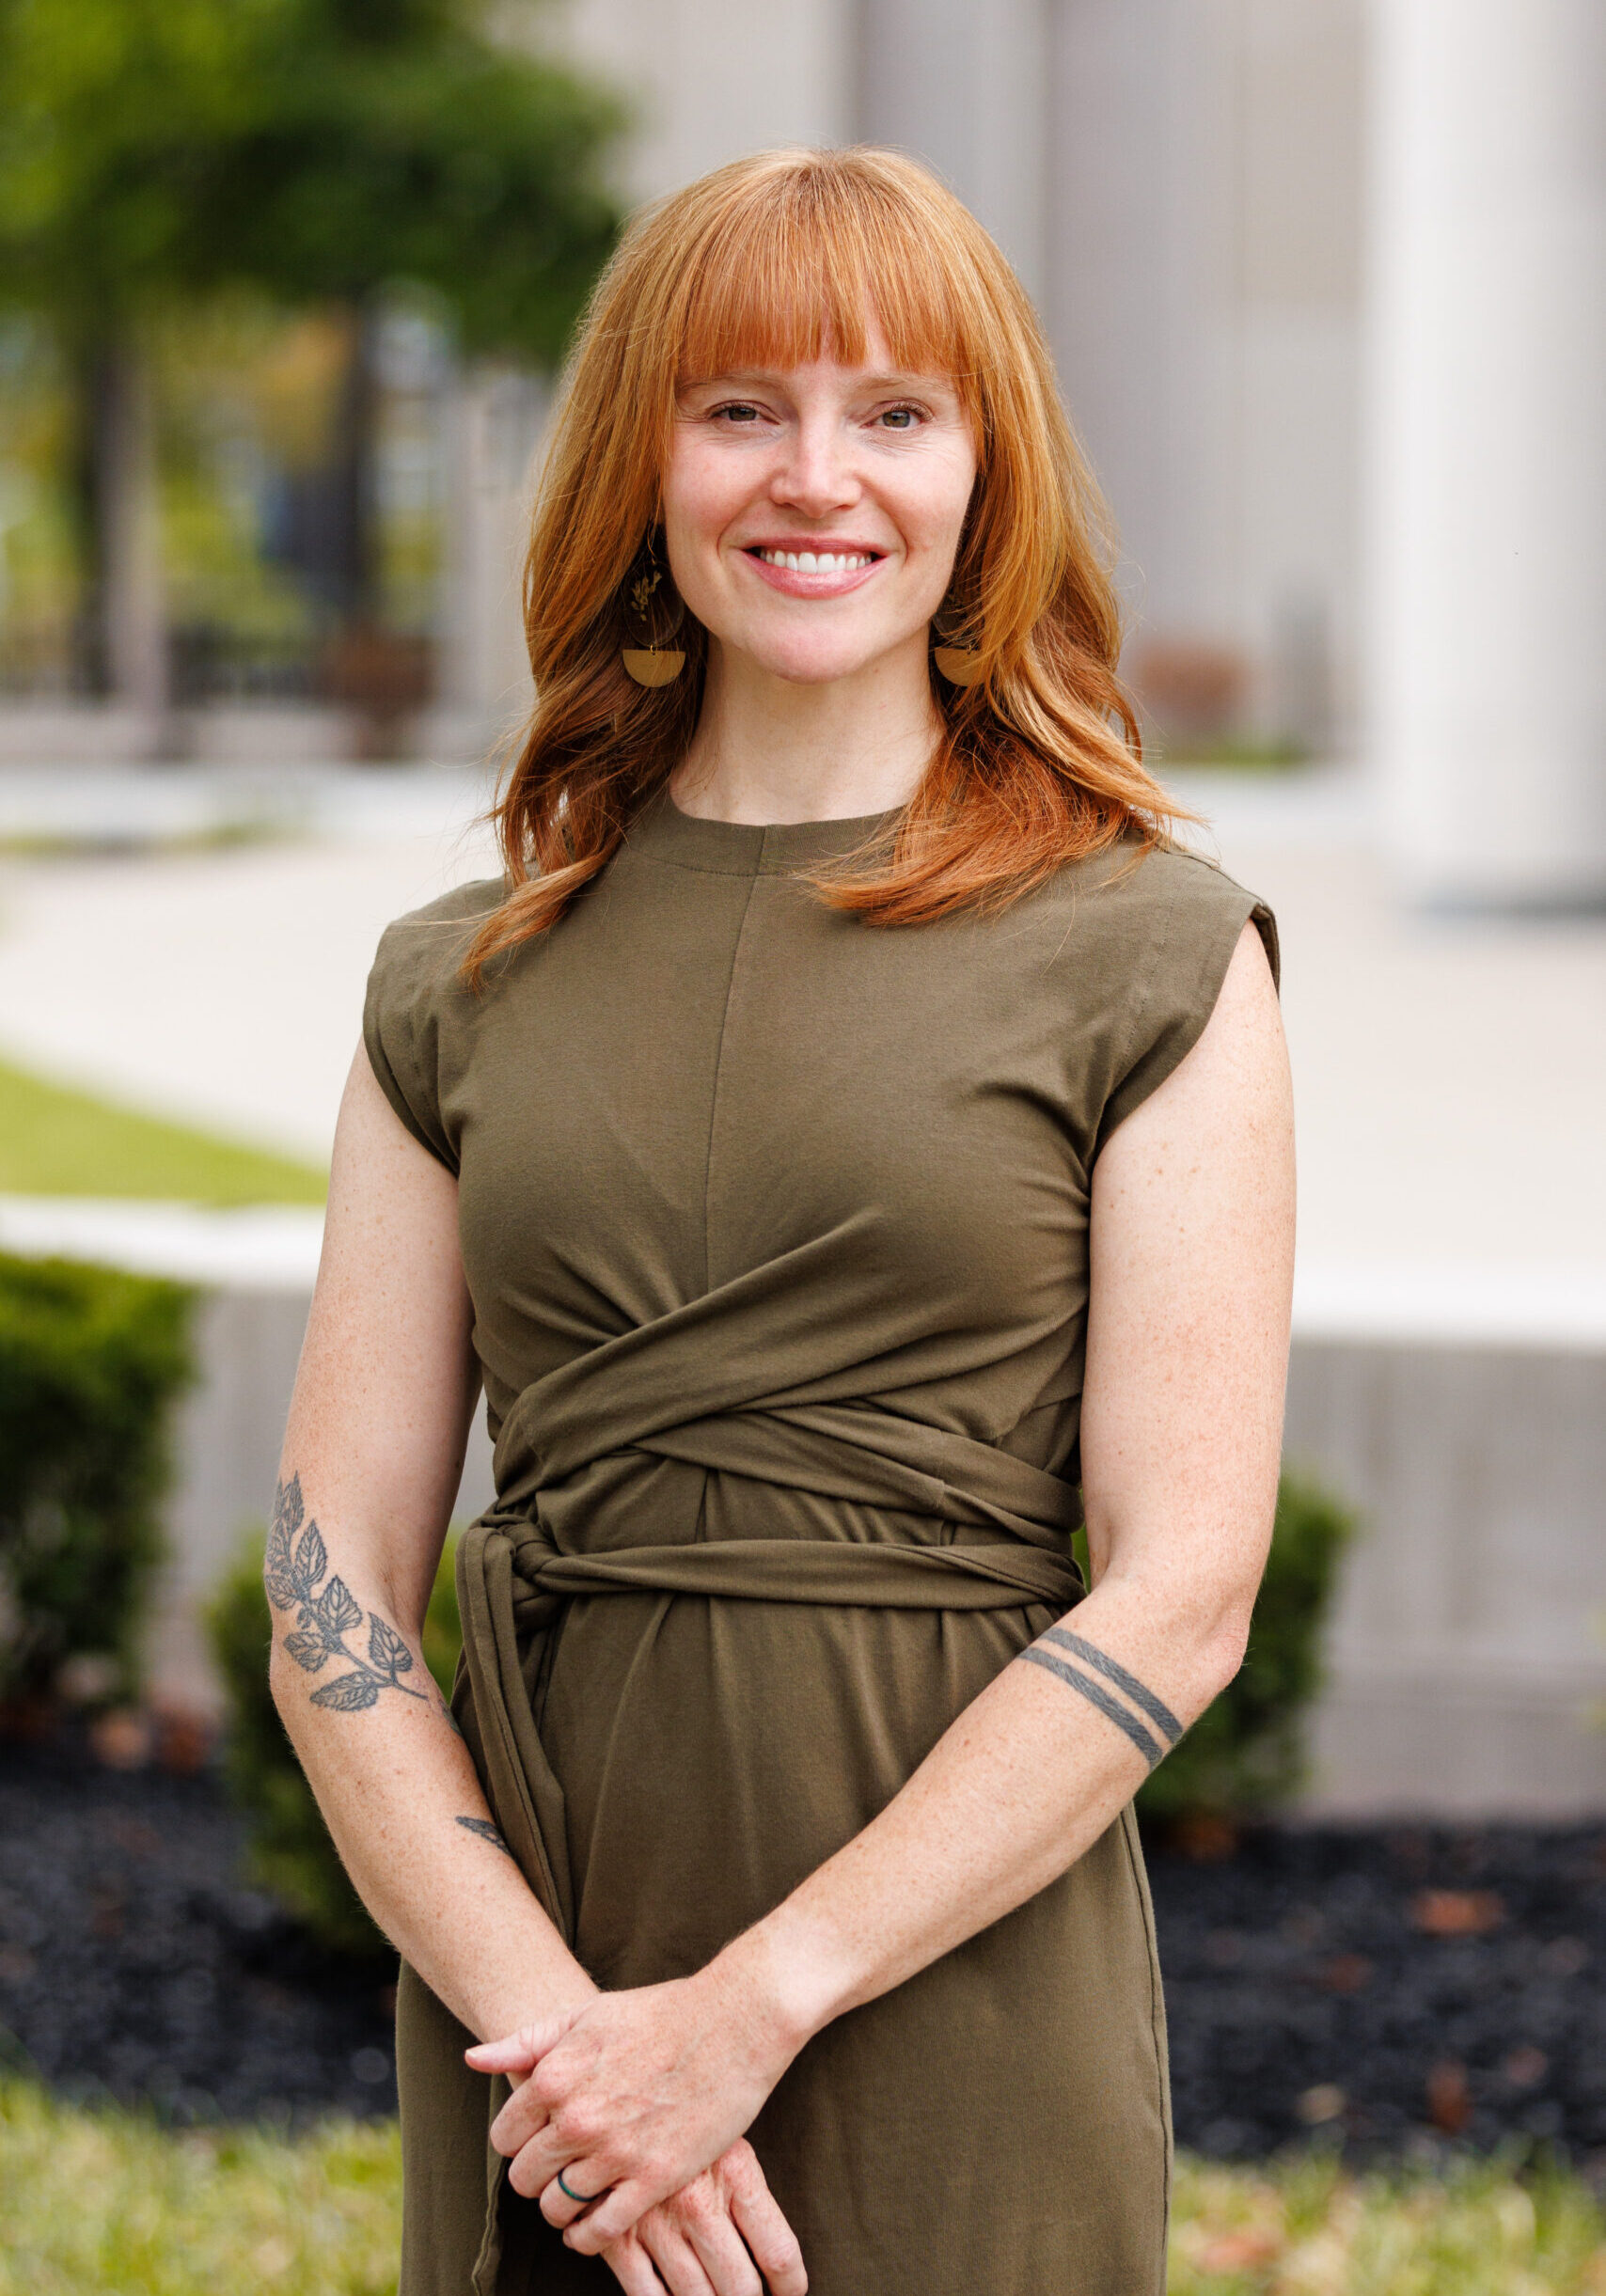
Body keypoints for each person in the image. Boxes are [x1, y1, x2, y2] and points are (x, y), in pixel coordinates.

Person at [268, 146, 1294, 2296]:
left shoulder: (1149, 948)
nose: (812, 476)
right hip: (536, 1999)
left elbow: (1183, 1585)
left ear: (978, 477)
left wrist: (741, 2018)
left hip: (948, 1981)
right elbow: (330, 1582)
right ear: (641, 462)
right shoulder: (456, 978)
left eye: (892, 412)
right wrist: (567, 2049)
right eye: (739, 406)